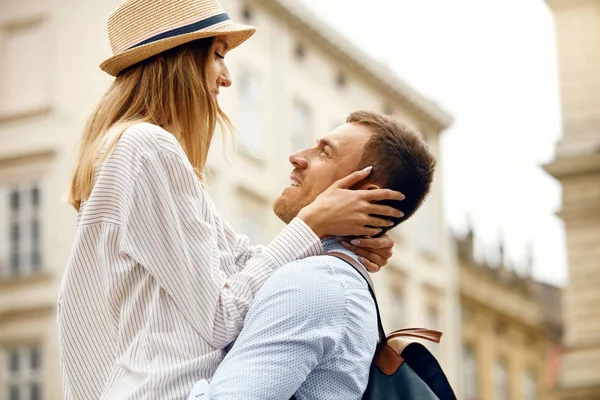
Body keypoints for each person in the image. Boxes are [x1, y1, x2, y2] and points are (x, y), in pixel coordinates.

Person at [57, 1, 405, 399]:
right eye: (218, 55)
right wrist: (310, 226)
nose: (226, 78)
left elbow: (236, 260)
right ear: (179, 60)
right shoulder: (146, 148)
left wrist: (333, 242)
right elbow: (220, 317)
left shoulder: (128, 151)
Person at [188, 110, 437, 400]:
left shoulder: (314, 283)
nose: (296, 156)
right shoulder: (329, 279)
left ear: (365, 196)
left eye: (325, 152)